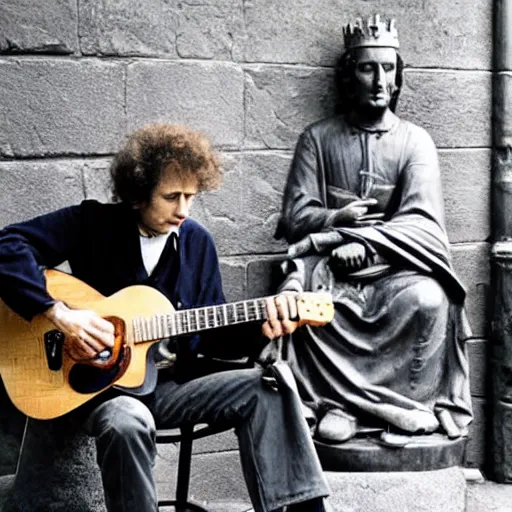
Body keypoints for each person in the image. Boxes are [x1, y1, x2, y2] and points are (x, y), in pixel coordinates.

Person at [0, 123, 330, 512]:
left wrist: (263, 327)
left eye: (191, 196)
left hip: (172, 385)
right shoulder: (92, 225)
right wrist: (60, 315)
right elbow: (7, 245)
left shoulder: (197, 243)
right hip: (100, 392)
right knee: (127, 419)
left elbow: (212, 339)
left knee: (270, 385)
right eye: (171, 196)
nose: (183, 210)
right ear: (139, 194)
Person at [275, 15, 473, 445]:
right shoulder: (318, 139)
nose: (379, 79)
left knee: (430, 299)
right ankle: (336, 406)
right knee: (307, 301)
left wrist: (366, 245)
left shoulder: (415, 142)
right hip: (331, 270)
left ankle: (407, 409)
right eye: (368, 68)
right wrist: (336, 221)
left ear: (400, 77)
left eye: (388, 68)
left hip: (395, 269)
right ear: (349, 76)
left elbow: (424, 224)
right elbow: (294, 217)